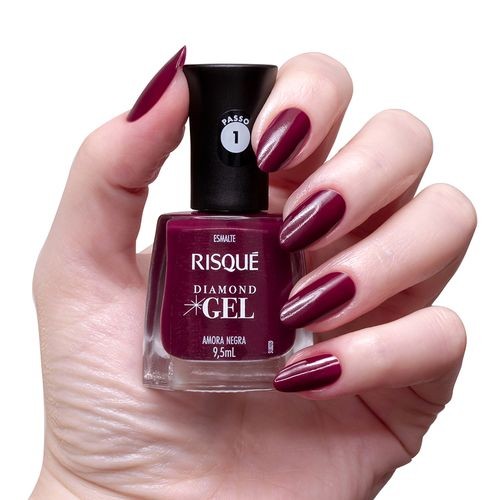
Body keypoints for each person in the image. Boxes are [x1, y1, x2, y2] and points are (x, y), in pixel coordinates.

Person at [31, 50, 476, 499]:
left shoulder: (259, 229)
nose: (225, 266)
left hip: (305, 430)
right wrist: (90, 488)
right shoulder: (181, 231)